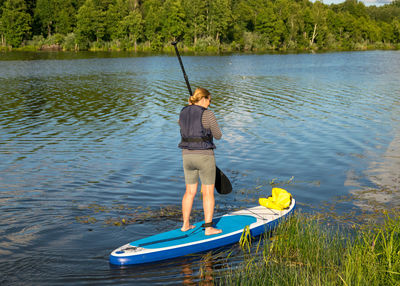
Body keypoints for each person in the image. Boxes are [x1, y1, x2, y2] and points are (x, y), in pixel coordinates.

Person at [178, 87, 222, 236]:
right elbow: (218, 135)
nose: (210, 103)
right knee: (208, 193)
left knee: (189, 192)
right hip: (204, 156)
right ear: (203, 99)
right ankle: (209, 228)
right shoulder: (207, 114)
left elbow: (183, 125)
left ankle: (185, 225)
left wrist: (190, 110)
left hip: (187, 156)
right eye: (209, 100)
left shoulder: (183, 112)